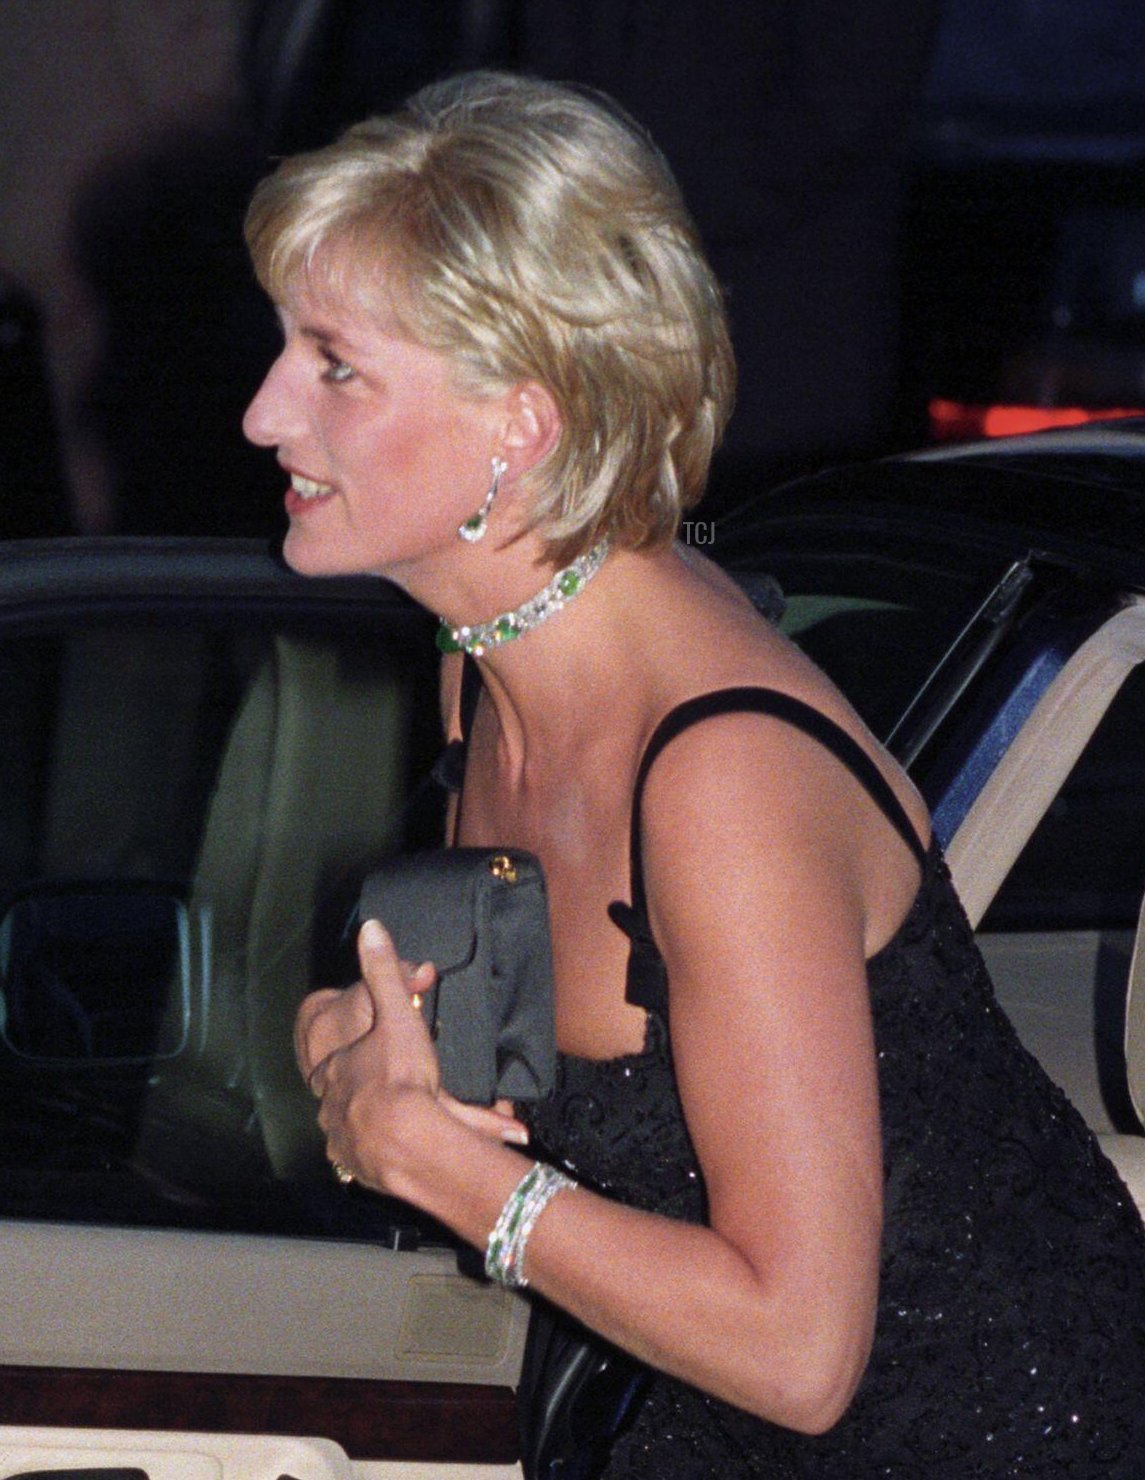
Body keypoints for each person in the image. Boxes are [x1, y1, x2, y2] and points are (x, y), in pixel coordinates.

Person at [242, 71, 1145, 1477]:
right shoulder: (484, 665)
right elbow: (497, 1069)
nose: (262, 415)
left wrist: (440, 1166)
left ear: (518, 426)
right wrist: (352, 1059)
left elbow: (797, 1352)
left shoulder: (719, 779)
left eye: (331, 365)